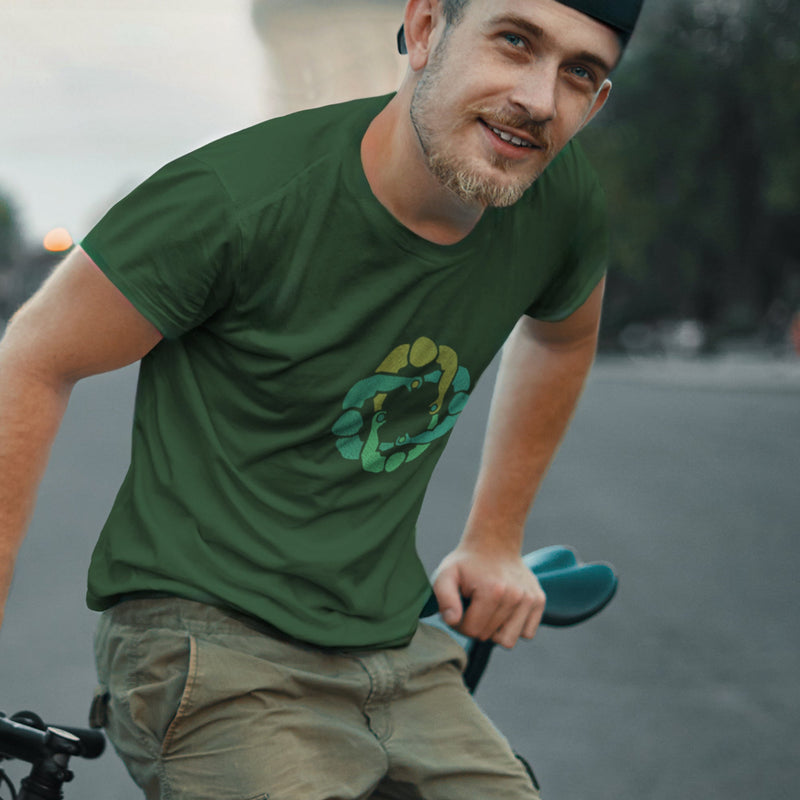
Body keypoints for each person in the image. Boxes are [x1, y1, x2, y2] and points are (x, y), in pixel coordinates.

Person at [0, 0, 644, 797]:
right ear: (423, 29)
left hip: (393, 645)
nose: (540, 99)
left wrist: (496, 538)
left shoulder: (560, 201)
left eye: (580, 73)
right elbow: (33, 356)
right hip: (205, 640)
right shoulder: (236, 197)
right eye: (515, 42)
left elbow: (562, 333)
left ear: (598, 102)